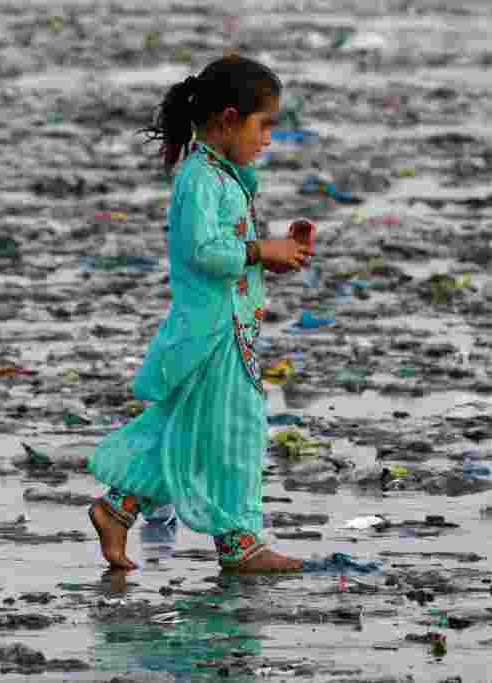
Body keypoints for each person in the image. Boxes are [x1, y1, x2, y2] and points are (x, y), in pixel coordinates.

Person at [87, 55, 311, 574]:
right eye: (264, 126)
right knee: (233, 432)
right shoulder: (200, 179)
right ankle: (239, 543)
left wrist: (278, 256)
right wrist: (260, 251)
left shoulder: (225, 176)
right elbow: (204, 252)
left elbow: (229, 252)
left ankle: (117, 509)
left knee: (197, 431)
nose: (269, 140)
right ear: (229, 119)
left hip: (230, 330)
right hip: (213, 336)